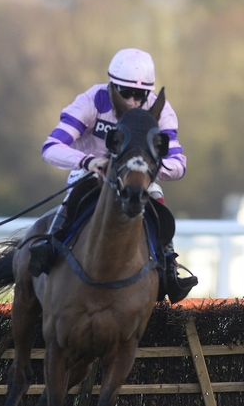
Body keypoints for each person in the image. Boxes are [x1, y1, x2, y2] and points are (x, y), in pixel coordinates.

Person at [29, 48, 197, 302]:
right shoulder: (91, 100)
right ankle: (50, 249)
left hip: (134, 178)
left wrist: (145, 168)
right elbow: (51, 147)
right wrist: (87, 161)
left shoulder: (160, 109)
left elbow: (178, 163)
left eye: (139, 95)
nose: (131, 102)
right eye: (125, 93)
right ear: (112, 86)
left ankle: (168, 263)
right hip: (91, 174)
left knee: (156, 195)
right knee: (73, 198)